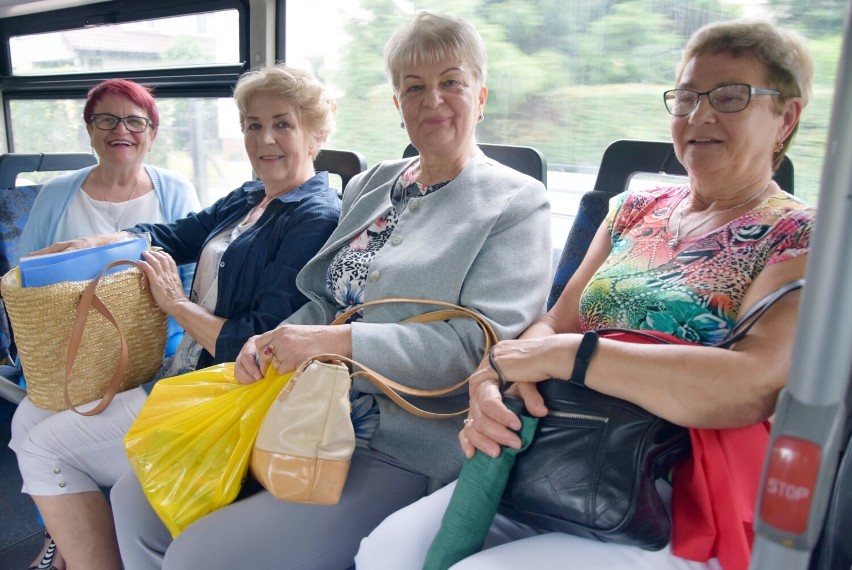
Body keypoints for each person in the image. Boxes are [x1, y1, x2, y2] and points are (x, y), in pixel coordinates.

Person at [356, 19, 816, 570]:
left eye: (730, 97)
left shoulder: (799, 235)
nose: (700, 116)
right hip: (559, 451)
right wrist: (489, 379)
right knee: (384, 552)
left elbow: (751, 384)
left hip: (673, 490)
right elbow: (553, 323)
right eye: (687, 97)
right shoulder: (634, 210)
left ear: (785, 117)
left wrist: (570, 357)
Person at [109, 12, 552, 570]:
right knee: (135, 496)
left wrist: (335, 343)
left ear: (480, 95)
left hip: (398, 440)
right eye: (413, 86)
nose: (431, 99)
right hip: (296, 406)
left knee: (200, 556)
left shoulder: (515, 203)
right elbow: (324, 296)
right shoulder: (373, 185)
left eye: (451, 82)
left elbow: (477, 351)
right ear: (397, 105)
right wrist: (268, 341)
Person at [9, 63, 342, 570]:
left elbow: (255, 340)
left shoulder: (313, 216)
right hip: (182, 373)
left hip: (221, 393)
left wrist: (176, 305)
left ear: (316, 135)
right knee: (27, 416)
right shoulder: (252, 196)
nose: (265, 139)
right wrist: (97, 241)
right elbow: (174, 234)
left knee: (42, 451)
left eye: (283, 124)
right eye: (253, 125)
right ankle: (73, 545)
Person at [12, 78, 200, 570]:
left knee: (53, 438)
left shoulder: (175, 191)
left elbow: (191, 278)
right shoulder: (57, 195)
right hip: (68, 353)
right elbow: (25, 273)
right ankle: (67, 538)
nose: (122, 131)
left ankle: (77, 543)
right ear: (90, 130)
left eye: (135, 121)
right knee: (23, 426)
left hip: (152, 347)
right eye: (107, 120)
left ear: (152, 133)